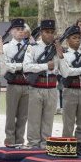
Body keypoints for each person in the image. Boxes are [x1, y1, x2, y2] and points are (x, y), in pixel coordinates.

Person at [23, 19, 60, 148]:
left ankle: (45, 145)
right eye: (47, 32)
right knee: (34, 119)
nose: (50, 35)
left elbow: (61, 68)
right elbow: (26, 67)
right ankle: (33, 145)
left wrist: (60, 54)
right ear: (41, 32)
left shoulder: (56, 48)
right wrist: (45, 66)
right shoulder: (33, 47)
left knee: (48, 120)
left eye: (52, 32)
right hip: (37, 87)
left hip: (51, 87)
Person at [56, 25, 81, 155]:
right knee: (68, 122)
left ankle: (79, 147)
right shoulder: (64, 55)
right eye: (74, 38)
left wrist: (78, 71)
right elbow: (66, 72)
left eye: (79, 37)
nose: (77, 40)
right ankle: (67, 147)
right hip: (70, 91)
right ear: (68, 40)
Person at [0, 18, 30, 146]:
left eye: (22, 30)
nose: (20, 32)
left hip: (27, 84)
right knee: (11, 115)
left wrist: (16, 65)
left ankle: (20, 140)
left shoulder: (29, 47)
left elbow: (31, 64)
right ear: (11, 31)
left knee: (23, 116)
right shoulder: (5, 47)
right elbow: (5, 66)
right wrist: (21, 66)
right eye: (17, 29)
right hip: (13, 84)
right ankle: (10, 140)